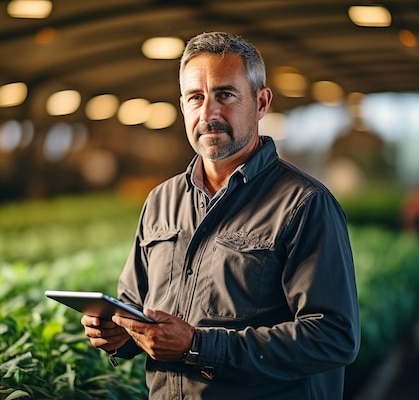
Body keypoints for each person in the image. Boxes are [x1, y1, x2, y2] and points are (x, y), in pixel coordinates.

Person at [82, 31, 360, 399]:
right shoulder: (161, 201)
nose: (209, 113)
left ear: (261, 103)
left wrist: (198, 346)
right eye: (195, 98)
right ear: (183, 107)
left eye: (225, 95)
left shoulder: (304, 204)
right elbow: (134, 306)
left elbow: (334, 337)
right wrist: (118, 334)